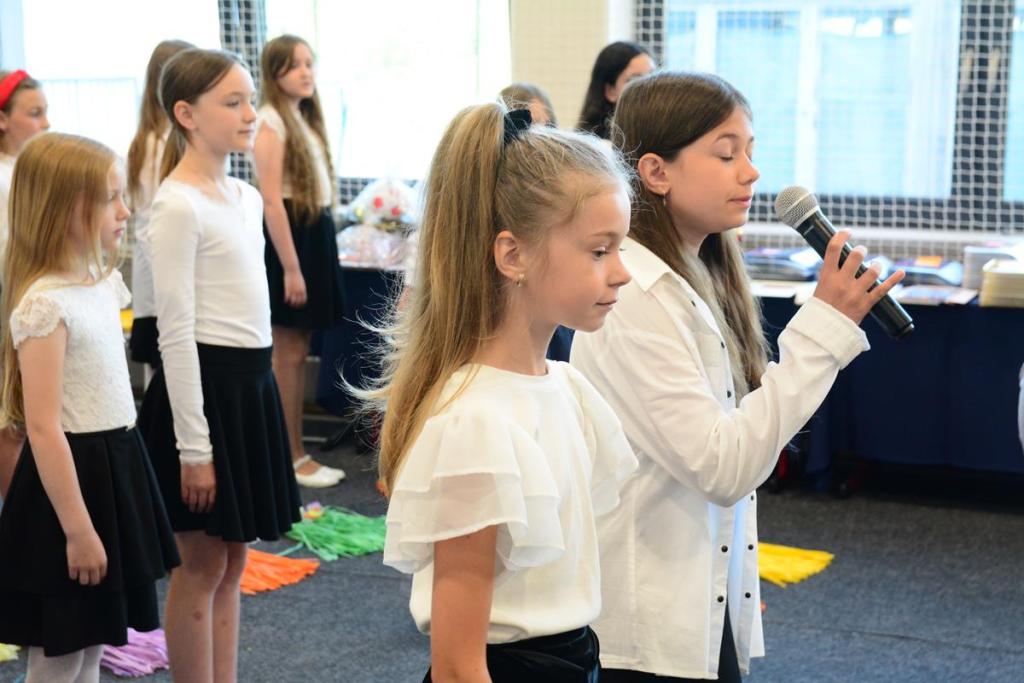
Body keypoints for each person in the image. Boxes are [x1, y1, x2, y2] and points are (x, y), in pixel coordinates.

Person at [571, 71, 905, 682]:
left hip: (696, 588)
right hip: (644, 616)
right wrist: (822, 332)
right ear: (656, 172)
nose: (750, 173)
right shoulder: (635, 295)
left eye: (750, 152)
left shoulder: (699, 272)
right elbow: (722, 467)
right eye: (726, 155)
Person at [376, 104, 638, 682]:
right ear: (513, 255)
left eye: (621, 248)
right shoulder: (477, 423)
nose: (621, 272)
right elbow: (457, 665)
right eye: (600, 250)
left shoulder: (567, 389)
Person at [138, 48, 301, 683]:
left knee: (233, 562)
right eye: (232, 103)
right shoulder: (177, 205)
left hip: (248, 389)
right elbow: (175, 335)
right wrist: (194, 449)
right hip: (202, 396)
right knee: (200, 566)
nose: (249, 113)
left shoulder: (243, 196)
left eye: (249, 100)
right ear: (187, 114)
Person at [0, 132, 179, 683]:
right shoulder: (45, 305)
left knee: (94, 642)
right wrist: (78, 530)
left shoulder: (101, 285)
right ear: (62, 209)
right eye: (110, 199)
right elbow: (44, 429)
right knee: (60, 652)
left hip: (113, 470)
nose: (125, 211)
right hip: (68, 488)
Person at [253, 34, 346, 488]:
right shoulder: (271, 121)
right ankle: (290, 455)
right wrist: (291, 267)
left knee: (298, 347)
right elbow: (272, 201)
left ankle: (292, 451)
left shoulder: (302, 118)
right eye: (295, 65)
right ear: (275, 74)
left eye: (310, 63)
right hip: (292, 238)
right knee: (287, 351)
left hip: (313, 231)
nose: (306, 72)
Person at [125, 39, 195, 382]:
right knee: (166, 380)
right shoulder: (156, 144)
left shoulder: (161, 139)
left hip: (166, 284)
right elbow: (153, 225)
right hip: (163, 288)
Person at [0, 68, 49, 499]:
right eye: (34, 113)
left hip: (28, 305)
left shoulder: (29, 170)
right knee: (10, 424)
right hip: (10, 307)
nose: (45, 123)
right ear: (3, 119)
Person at [577, 41, 654, 140]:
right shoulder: (598, 145)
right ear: (610, 91)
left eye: (653, 77)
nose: (648, 87)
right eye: (635, 81)